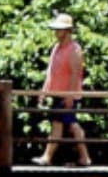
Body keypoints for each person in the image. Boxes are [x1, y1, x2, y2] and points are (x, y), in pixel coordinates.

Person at [37, 12, 92, 166]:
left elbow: (76, 73)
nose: (56, 32)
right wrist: (44, 91)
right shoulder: (56, 48)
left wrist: (69, 95)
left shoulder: (75, 49)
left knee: (72, 124)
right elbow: (50, 70)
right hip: (57, 93)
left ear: (68, 31)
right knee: (58, 124)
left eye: (59, 29)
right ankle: (48, 157)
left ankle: (84, 157)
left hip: (68, 94)